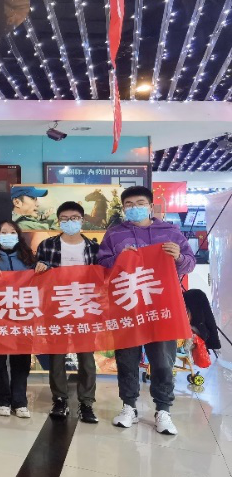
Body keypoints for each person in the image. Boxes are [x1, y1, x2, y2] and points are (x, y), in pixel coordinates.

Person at [98, 186, 195, 435]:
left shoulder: (170, 232)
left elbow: (189, 263)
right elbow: (101, 266)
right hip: (127, 307)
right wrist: (119, 259)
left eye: (140, 203)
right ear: (123, 208)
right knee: (126, 359)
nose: (134, 208)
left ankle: (163, 409)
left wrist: (178, 258)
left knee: (162, 360)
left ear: (151, 206)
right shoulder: (114, 234)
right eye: (129, 204)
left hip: (162, 307)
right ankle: (128, 406)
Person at [35, 201, 100, 424]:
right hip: (57, 307)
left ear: (82, 220)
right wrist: (41, 269)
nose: (69, 222)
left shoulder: (93, 248)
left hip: (85, 308)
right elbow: (36, 277)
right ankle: (60, 399)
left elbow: (102, 277)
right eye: (64, 218)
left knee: (86, 357)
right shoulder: (47, 245)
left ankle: (87, 402)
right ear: (58, 221)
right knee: (57, 355)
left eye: (74, 218)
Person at [0, 222, 35, 418]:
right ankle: (1, 399)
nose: (8, 235)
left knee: (21, 361)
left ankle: (20, 401)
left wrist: (43, 268)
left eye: (13, 232)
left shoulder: (29, 259)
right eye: (4, 232)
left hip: (23, 317)